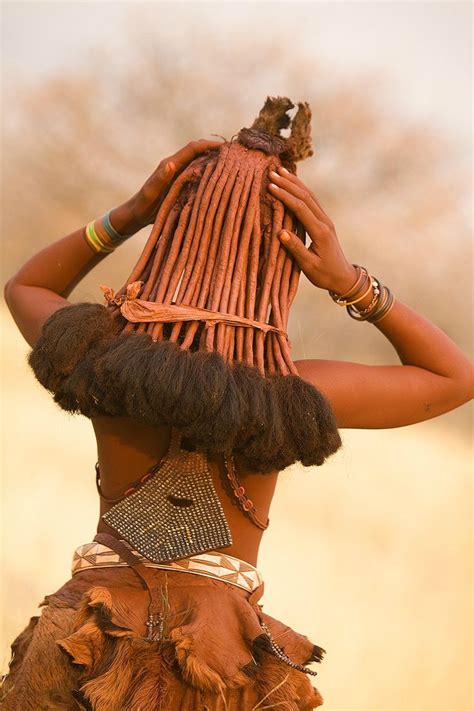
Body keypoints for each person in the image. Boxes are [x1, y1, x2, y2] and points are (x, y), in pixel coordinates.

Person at [1, 98, 472, 711]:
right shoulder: (290, 394)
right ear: (285, 259)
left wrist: (130, 213)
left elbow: (26, 288)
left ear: (170, 229)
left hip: (89, 651)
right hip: (215, 666)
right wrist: (350, 281)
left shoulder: (102, 355)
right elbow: (454, 378)